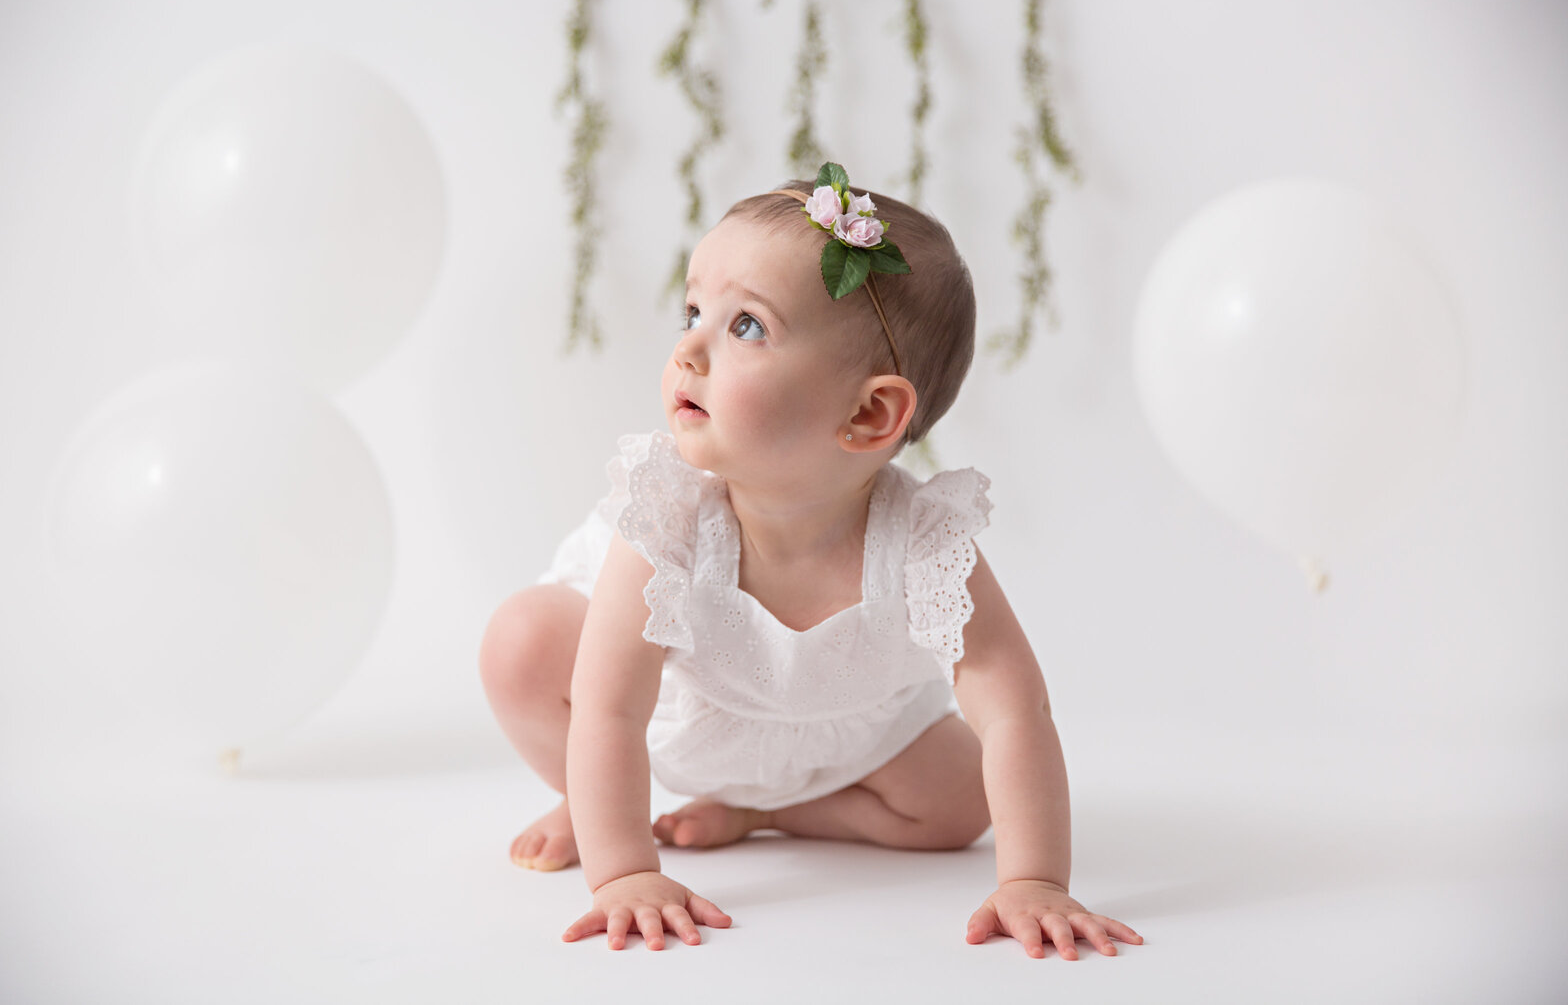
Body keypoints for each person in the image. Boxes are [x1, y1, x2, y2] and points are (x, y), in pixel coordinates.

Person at [479, 164, 1143, 960]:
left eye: (746, 326)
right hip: (665, 729)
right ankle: (595, 806)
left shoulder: (924, 542)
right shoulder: (668, 514)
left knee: (964, 800)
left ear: (869, 414)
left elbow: (1014, 710)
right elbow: (610, 704)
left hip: (844, 747)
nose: (689, 347)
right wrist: (624, 873)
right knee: (521, 643)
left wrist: (1034, 878)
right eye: (694, 310)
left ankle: (772, 813)